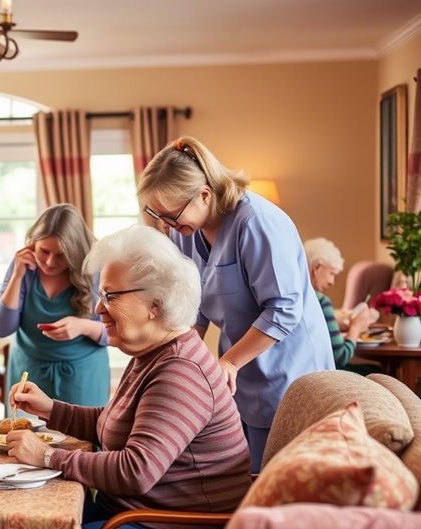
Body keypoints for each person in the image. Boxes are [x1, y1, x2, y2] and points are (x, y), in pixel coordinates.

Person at [6, 225, 252, 529]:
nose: (98, 308)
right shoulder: (153, 352)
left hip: (165, 522)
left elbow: (136, 470)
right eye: (100, 295)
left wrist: (46, 456)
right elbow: (113, 423)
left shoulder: (180, 371)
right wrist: (50, 409)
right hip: (133, 512)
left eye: (111, 296)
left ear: (155, 305)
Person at [137, 135, 334, 472]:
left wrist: (226, 364)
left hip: (291, 370)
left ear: (204, 194)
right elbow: (193, 307)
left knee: (276, 483)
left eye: (173, 215)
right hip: (244, 374)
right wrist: (176, 360)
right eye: (161, 217)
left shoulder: (256, 222)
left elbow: (283, 309)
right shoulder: (186, 232)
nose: (169, 226)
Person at [0, 203, 109, 407]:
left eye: (62, 255)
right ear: (32, 244)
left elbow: (119, 332)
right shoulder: (24, 267)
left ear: (76, 252)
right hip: (28, 373)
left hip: (83, 377)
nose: (50, 262)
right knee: (22, 435)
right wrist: (18, 276)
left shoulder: (97, 268)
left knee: (81, 438)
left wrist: (82, 326)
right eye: (44, 251)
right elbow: (1, 328)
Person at [303, 237, 378, 375]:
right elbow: (342, 356)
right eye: (331, 273)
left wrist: (335, 324)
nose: (332, 282)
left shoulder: (297, 298)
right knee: (377, 371)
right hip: (323, 374)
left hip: (302, 372)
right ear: (317, 267)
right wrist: (356, 328)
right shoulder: (321, 301)